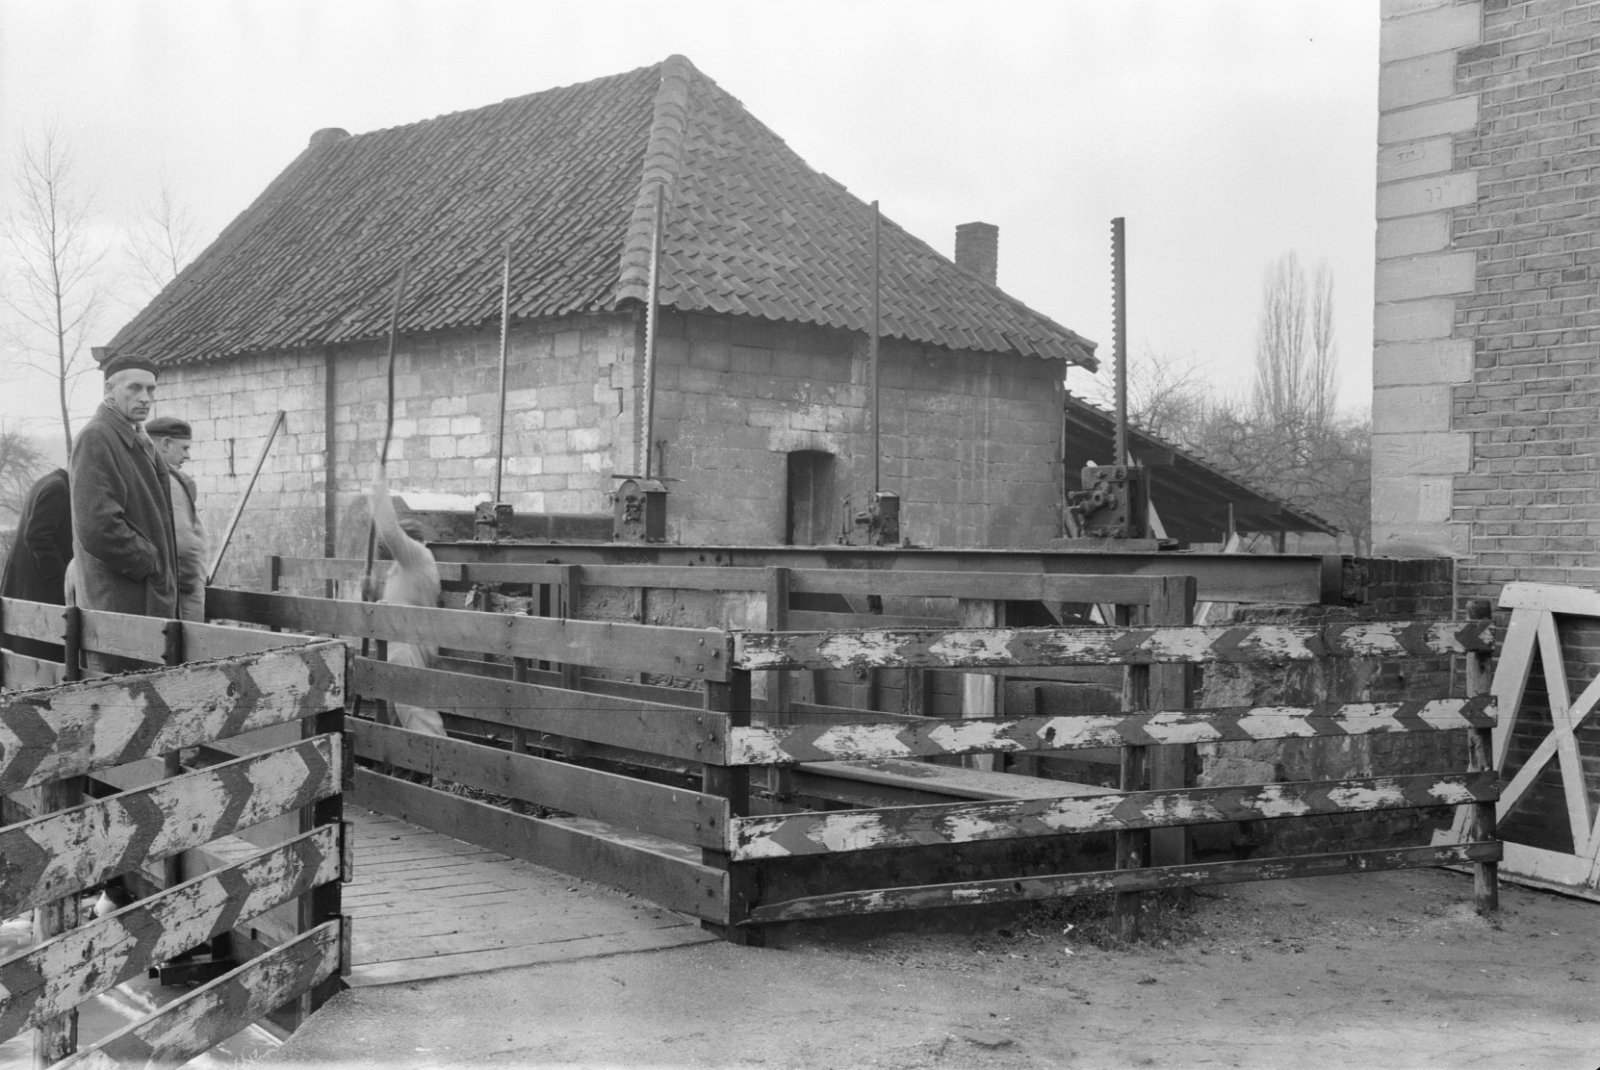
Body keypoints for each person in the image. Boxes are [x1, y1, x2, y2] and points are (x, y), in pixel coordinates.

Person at [70, 352, 178, 622]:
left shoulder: (137, 438)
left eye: (150, 389)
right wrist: (151, 562)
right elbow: (98, 526)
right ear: (109, 389)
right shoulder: (97, 437)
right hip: (120, 599)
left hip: (143, 595)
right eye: (135, 388)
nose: (145, 397)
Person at [0, 467, 73, 660]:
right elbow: (37, 536)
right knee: (40, 659)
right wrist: (62, 581)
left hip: (27, 590)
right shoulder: (58, 488)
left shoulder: (48, 482)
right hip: (39, 591)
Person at [144, 416, 210, 622]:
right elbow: (183, 546)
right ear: (165, 444)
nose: (187, 455)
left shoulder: (145, 474)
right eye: (184, 448)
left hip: (165, 586)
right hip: (181, 593)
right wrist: (189, 583)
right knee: (189, 641)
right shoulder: (168, 482)